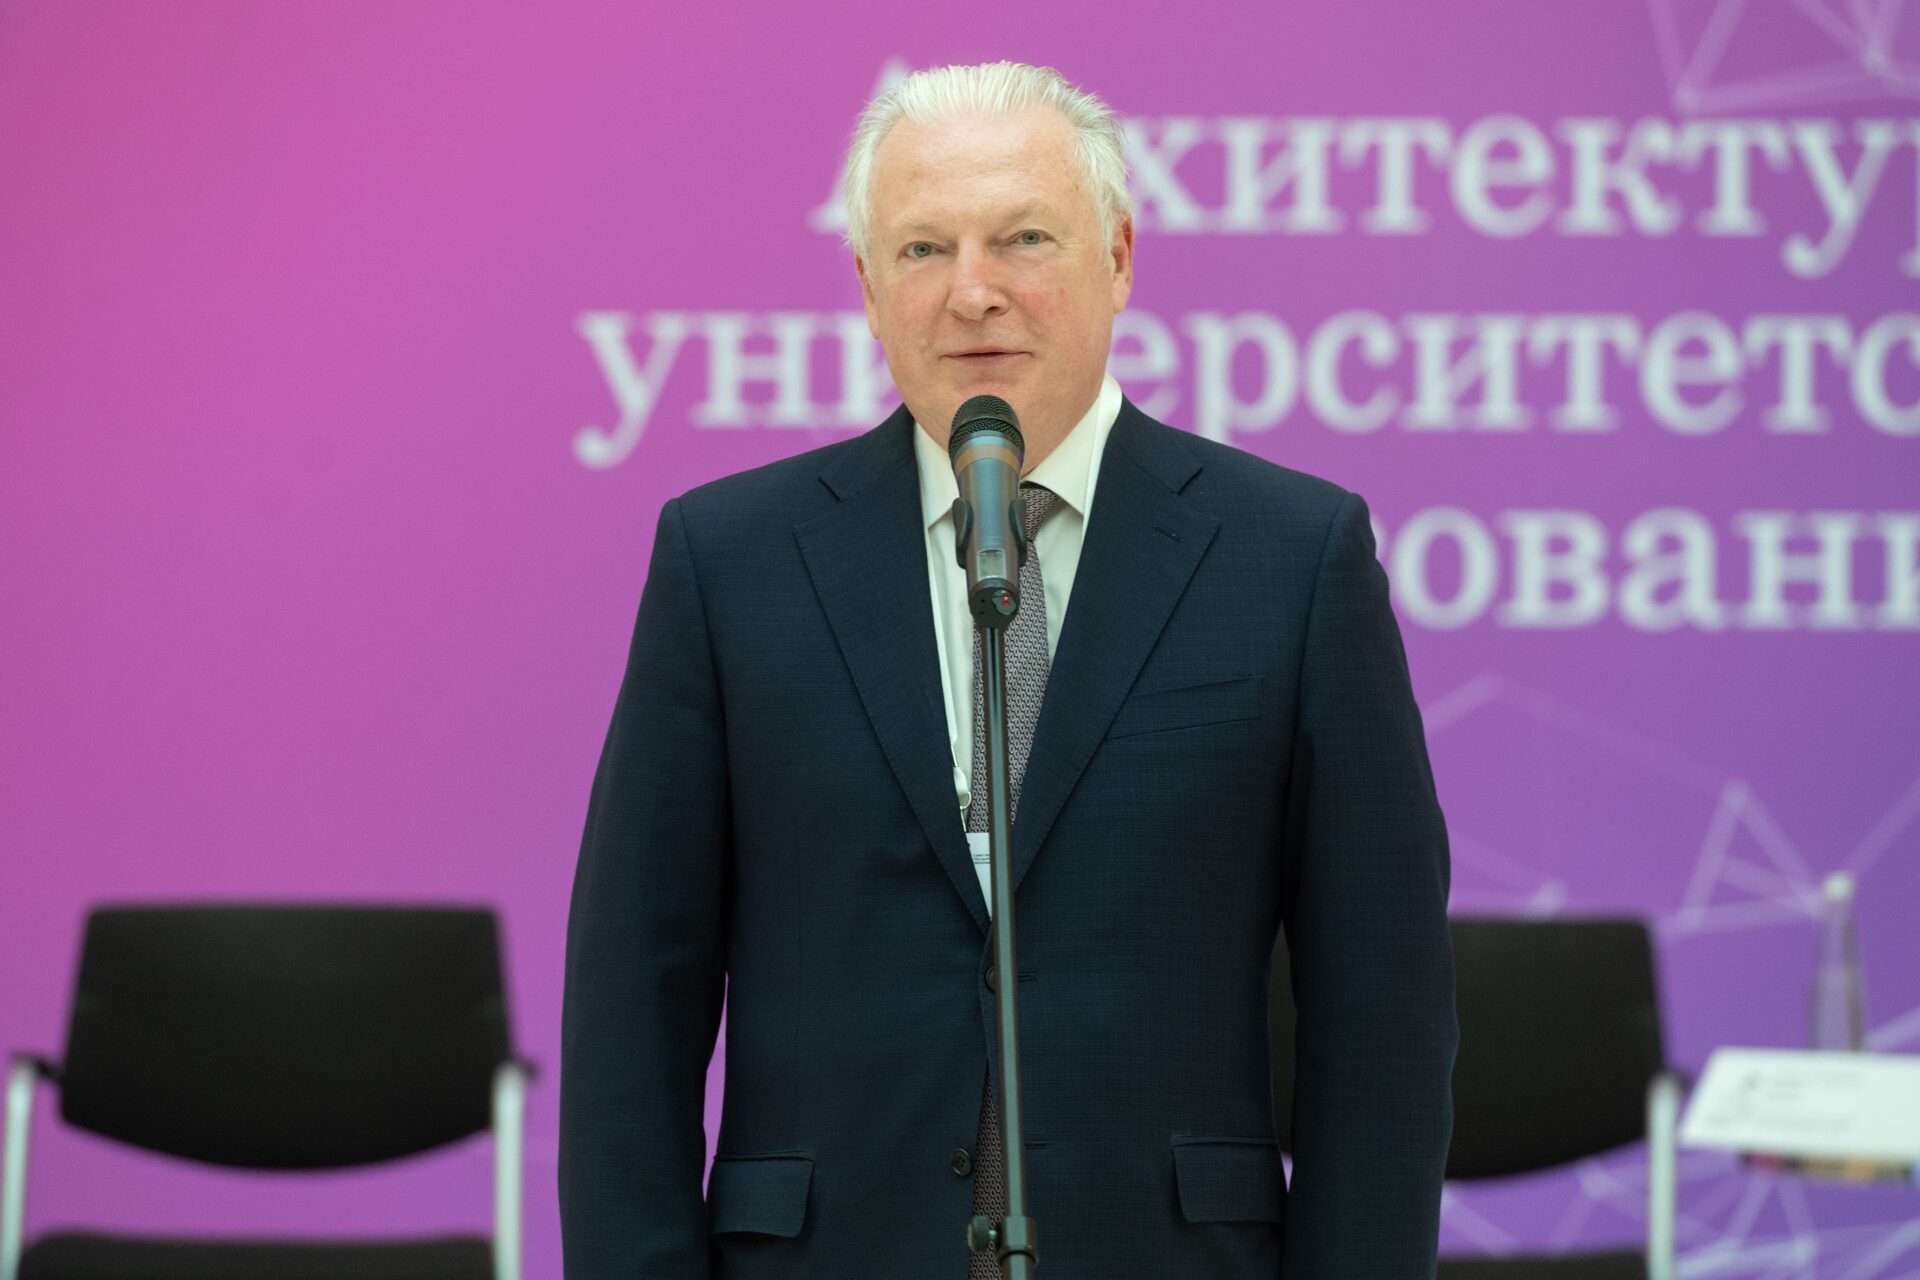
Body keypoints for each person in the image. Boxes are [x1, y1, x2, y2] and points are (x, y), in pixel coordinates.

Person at [560, 60, 1457, 1279]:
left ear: (1120, 256)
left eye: (1023, 237)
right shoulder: (731, 562)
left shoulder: (1291, 557)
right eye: (923, 249)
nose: (972, 291)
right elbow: (632, 1000)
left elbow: (1382, 1009)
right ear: (868, 289)